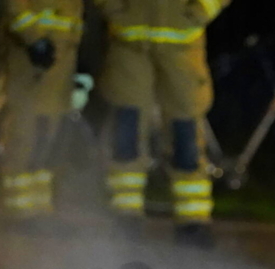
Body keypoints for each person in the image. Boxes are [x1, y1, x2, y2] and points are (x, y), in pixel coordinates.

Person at [95, 0, 230, 245]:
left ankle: (192, 221)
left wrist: (200, 10)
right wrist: (114, 8)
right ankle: (125, 217)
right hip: (129, 46)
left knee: (185, 134)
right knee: (127, 130)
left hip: (182, 49)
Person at [0, 0, 84, 218]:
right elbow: (14, 8)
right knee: (24, 130)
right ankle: (19, 204)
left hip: (61, 60)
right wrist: (34, 39)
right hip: (29, 58)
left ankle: (40, 203)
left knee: (49, 132)